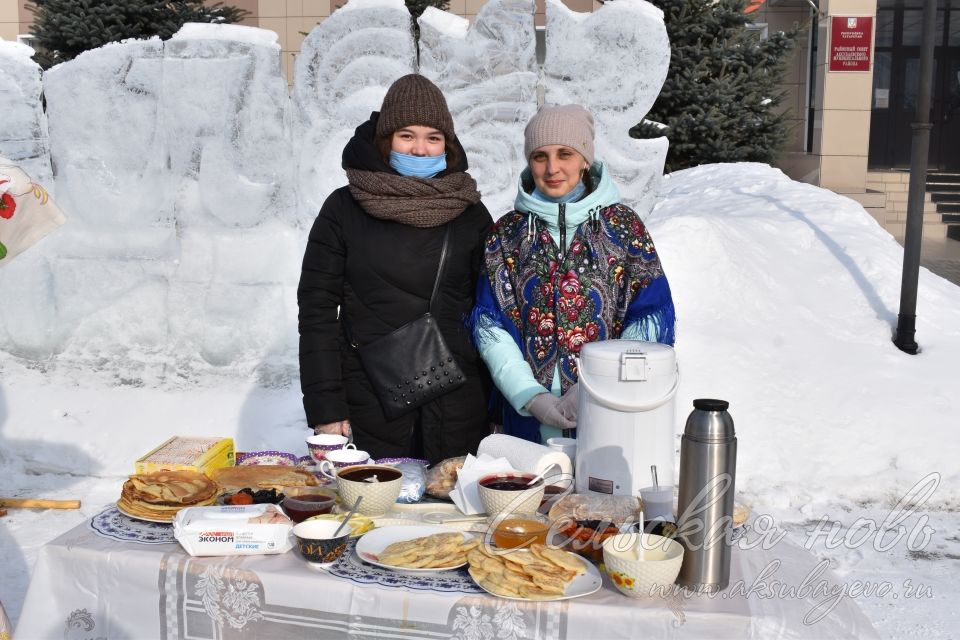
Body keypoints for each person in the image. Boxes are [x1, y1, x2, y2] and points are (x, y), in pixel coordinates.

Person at [298, 74, 493, 464]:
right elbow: (317, 312)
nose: (420, 149)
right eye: (407, 135)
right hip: (369, 402)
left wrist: (497, 409)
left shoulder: (470, 211)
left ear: (447, 145)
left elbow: (490, 314)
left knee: (453, 516)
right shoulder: (344, 208)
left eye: (433, 137)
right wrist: (327, 410)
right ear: (386, 139)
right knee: (373, 513)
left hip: (458, 403)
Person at [470, 104, 676, 444]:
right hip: (526, 417)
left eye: (565, 153)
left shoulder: (624, 228)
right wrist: (530, 396)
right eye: (540, 156)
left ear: (584, 159)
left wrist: (596, 385)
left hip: (607, 407)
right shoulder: (507, 233)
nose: (552, 168)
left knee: (599, 493)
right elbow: (490, 326)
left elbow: (649, 317)